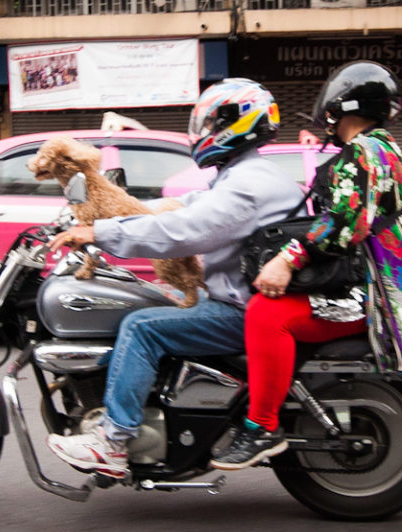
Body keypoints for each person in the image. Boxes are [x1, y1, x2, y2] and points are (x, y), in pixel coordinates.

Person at [44, 79, 304, 479]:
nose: (202, 133)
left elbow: (183, 231)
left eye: (211, 124)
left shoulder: (248, 185)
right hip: (237, 299)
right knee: (148, 305)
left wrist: (102, 233)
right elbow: (181, 206)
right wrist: (109, 214)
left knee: (141, 327)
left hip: (239, 309)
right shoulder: (243, 175)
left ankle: (112, 441)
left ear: (238, 125)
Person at [210, 60, 402, 470]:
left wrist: (286, 258)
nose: (326, 117)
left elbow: (344, 228)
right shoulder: (384, 147)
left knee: (265, 313)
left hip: (376, 296)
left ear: (345, 105)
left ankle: (260, 427)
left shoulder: (364, 152)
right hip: (384, 286)